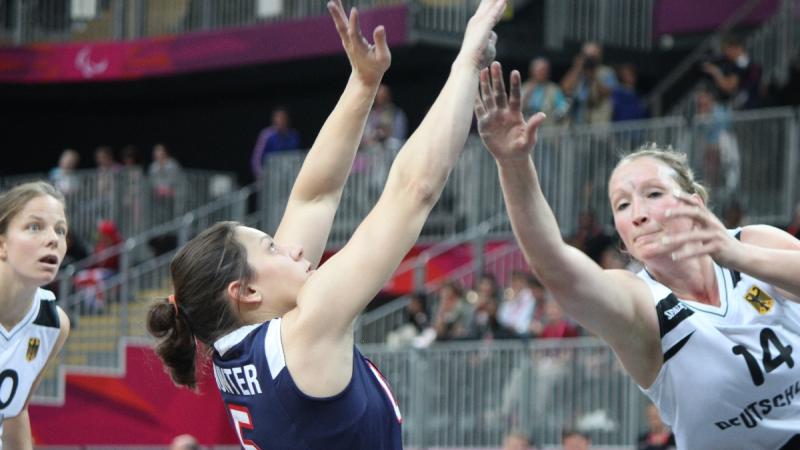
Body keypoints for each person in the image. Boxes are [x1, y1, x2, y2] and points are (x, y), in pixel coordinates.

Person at [146, 1, 506, 449]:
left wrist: (362, 83)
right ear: (245, 292)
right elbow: (414, 191)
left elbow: (313, 197)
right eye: (272, 249)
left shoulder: (238, 350)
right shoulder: (306, 330)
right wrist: (466, 62)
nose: (293, 248)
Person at [474, 63, 800, 449]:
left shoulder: (752, 241)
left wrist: (737, 256)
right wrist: (513, 164)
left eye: (654, 194)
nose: (639, 213)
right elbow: (556, 266)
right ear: (624, 239)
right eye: (623, 205)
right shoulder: (640, 303)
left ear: (694, 203)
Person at [0, 181, 71, 449]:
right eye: (34, 227)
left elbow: (15, 411)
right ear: (2, 244)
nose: (53, 238)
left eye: (60, 230)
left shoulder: (54, 324)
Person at [250, 107, 302, 179]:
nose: (281, 121)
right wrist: (260, 174)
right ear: (274, 120)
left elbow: (297, 157)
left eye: (283, 118)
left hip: (288, 175)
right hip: (270, 176)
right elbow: (257, 158)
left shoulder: (293, 135)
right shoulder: (266, 135)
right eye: (279, 118)